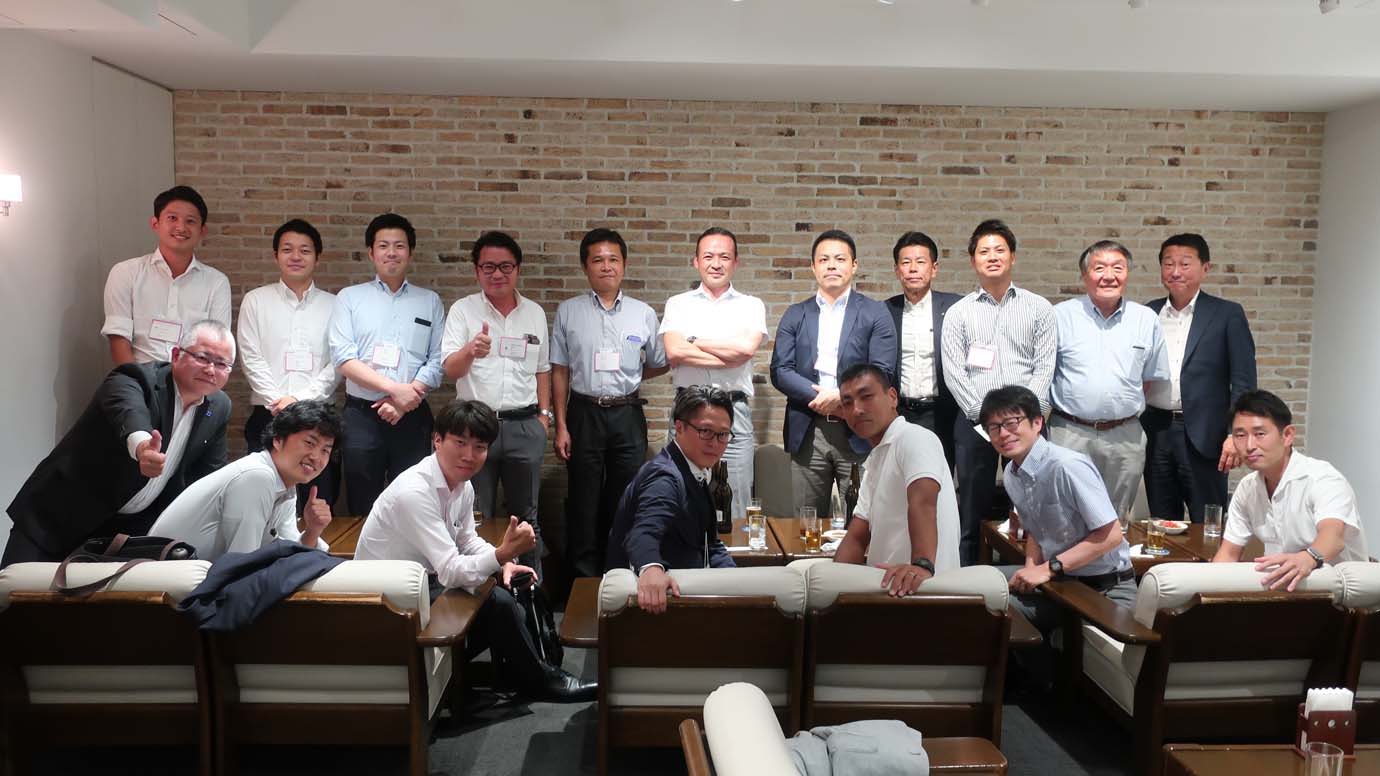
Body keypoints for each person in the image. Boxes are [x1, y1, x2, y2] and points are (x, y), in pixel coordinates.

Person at [354, 400, 595, 702]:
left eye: (479, 447)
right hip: (389, 601)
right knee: (497, 602)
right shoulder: (414, 492)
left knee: (510, 588)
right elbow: (451, 570)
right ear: (437, 440)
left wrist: (504, 563)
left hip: (423, 583)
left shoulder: (461, 485)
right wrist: (501, 555)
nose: (469, 455)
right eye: (460, 443)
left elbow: (467, 540)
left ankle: (525, 672)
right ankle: (541, 681)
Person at [3, 320, 234, 566]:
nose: (211, 370)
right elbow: (129, 414)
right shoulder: (134, 378)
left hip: (126, 532)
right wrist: (143, 448)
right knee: (17, 588)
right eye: (202, 358)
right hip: (58, 516)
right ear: (176, 355)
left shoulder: (219, 406)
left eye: (221, 364)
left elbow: (209, 477)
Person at [550, 228, 669, 578]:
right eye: (597, 260)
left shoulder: (642, 313)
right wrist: (561, 426)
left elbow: (660, 361)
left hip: (627, 413)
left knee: (626, 497)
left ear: (624, 265)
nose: (606, 267)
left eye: (613, 259)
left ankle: (619, 574)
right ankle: (583, 582)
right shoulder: (568, 311)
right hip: (583, 412)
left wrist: (630, 377)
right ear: (585, 267)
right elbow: (560, 370)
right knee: (583, 499)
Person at [940, 219, 1056, 566]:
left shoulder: (1039, 308)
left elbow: (1044, 367)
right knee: (970, 511)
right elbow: (954, 372)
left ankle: (1032, 577)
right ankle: (967, 580)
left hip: (1027, 426)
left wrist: (1022, 419)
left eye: (999, 250)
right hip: (975, 424)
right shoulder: (959, 313)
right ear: (973, 260)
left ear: (1013, 257)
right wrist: (985, 418)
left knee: (1035, 509)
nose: (992, 257)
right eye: (984, 251)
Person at [442, 231, 552, 578]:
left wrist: (543, 417)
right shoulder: (463, 311)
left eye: (505, 266)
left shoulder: (534, 313)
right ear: (477, 270)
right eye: (488, 267)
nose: (497, 274)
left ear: (517, 269)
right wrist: (470, 351)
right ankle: (484, 590)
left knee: (527, 516)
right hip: (475, 429)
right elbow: (450, 369)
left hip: (524, 425)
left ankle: (530, 590)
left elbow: (543, 369)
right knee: (476, 516)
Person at [981, 385, 1136, 632]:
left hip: (1104, 589)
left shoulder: (1067, 466)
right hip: (1060, 581)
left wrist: (1046, 569)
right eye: (994, 427)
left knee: (993, 610)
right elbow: (1036, 530)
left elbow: (1111, 536)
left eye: (1011, 423)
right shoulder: (1012, 473)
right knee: (977, 585)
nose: (1003, 434)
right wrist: (1031, 569)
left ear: (1037, 423)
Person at [770, 229, 897, 517]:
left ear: (854, 265)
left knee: (864, 517)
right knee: (807, 520)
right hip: (809, 430)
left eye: (840, 259)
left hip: (860, 428)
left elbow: (883, 370)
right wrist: (822, 399)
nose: (831, 265)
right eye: (824, 259)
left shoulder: (875, 312)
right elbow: (780, 370)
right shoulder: (795, 314)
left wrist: (842, 397)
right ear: (813, 267)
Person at [328, 213, 445, 516]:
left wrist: (405, 401)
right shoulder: (349, 298)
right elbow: (344, 359)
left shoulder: (429, 301)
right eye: (383, 246)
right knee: (361, 504)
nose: (391, 252)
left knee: (412, 503)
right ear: (371, 252)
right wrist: (396, 391)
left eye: (399, 246)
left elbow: (437, 360)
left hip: (413, 416)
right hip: (361, 418)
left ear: (410, 252)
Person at [1049, 240, 1170, 517]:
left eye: (1118, 268)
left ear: (1127, 273)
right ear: (1084, 275)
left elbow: (1147, 381)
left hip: (1125, 436)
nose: (1109, 276)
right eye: (1100, 268)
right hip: (1070, 433)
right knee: (1066, 514)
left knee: (1117, 518)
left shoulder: (1145, 319)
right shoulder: (1060, 316)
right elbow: (1046, 372)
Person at [1143, 233, 1257, 522]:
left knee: (1208, 522)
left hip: (1207, 435)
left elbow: (1243, 381)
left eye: (1185, 264)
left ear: (1205, 268)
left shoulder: (1227, 314)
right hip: (1155, 431)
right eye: (1168, 263)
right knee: (1161, 520)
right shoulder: (1147, 313)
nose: (1176, 271)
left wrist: (1235, 434)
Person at [659, 227, 768, 519]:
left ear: (736, 262)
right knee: (679, 494)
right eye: (708, 256)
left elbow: (745, 350)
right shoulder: (678, 304)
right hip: (688, 408)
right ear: (696, 261)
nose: (716, 263)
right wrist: (728, 356)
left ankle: (733, 550)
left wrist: (694, 340)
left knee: (736, 500)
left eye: (724, 257)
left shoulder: (751, 305)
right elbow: (674, 351)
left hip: (734, 411)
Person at [1212, 390, 1368, 589]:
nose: (1249, 445)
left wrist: (1308, 557)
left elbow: (1333, 537)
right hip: (1287, 591)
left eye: (1260, 434)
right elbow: (1228, 554)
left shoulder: (1322, 478)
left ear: (1287, 435)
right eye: (1240, 435)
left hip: (1343, 594)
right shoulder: (1247, 488)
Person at [148, 400, 337, 560]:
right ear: (278, 440)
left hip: (193, 577)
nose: (316, 457)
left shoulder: (285, 485)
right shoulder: (256, 476)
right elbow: (242, 563)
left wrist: (313, 530)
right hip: (162, 579)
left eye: (325, 450)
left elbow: (292, 556)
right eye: (309, 443)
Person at [605, 386, 738, 614]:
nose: (715, 443)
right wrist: (651, 568)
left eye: (723, 434)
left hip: (690, 589)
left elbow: (711, 544)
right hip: (657, 607)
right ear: (679, 427)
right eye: (705, 431)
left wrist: (740, 582)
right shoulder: (665, 477)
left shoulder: (694, 468)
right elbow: (642, 533)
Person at [237, 218, 341, 509]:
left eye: (305, 250)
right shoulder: (255, 301)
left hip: (319, 418)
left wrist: (299, 402)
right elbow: (250, 356)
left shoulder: (336, 305)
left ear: (317, 257)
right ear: (276, 256)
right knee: (262, 501)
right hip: (268, 416)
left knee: (317, 502)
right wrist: (279, 403)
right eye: (287, 249)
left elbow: (338, 363)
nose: (296, 257)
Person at [832, 364, 961, 596]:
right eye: (847, 403)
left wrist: (922, 565)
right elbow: (856, 538)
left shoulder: (915, 438)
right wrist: (831, 590)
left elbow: (923, 502)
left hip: (925, 591)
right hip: (886, 591)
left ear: (892, 397)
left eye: (866, 396)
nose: (857, 410)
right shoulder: (875, 460)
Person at [102, 185, 232, 365]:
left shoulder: (216, 282)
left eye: (190, 221)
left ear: (202, 231)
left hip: (193, 377)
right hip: (138, 375)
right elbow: (118, 340)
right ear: (155, 224)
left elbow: (215, 346)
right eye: (172, 218)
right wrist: (138, 381)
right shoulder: (125, 273)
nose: (181, 227)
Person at [885, 231, 963, 469]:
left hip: (943, 414)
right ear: (897, 270)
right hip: (899, 414)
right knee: (899, 478)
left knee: (940, 478)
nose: (913, 269)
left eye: (920, 262)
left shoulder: (956, 307)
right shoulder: (885, 310)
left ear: (934, 268)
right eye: (906, 263)